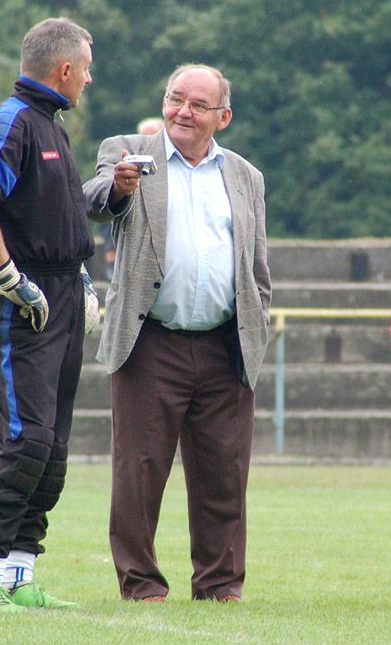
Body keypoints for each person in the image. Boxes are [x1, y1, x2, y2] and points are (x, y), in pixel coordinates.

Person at [82, 63, 271, 603]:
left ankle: (219, 586)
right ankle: (142, 585)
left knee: (224, 476)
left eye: (198, 104)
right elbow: (96, 200)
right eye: (175, 99)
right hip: (151, 343)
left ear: (223, 117)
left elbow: (257, 265)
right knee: (139, 473)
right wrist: (118, 188)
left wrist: (255, 320)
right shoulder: (127, 151)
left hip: (224, 343)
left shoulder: (245, 175)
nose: (183, 111)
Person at [0, 17, 97, 613]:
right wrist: (8, 277)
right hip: (25, 305)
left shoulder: (51, 126)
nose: (89, 77)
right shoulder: (12, 120)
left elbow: (50, 215)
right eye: (86, 67)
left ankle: (19, 575)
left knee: (54, 446)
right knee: (26, 439)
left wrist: (80, 277)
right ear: (63, 70)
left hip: (62, 297)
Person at [96, 117, 164, 281]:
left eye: (152, 137)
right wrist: (110, 248)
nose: (148, 144)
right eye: (143, 137)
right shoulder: (125, 172)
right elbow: (105, 206)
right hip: (127, 256)